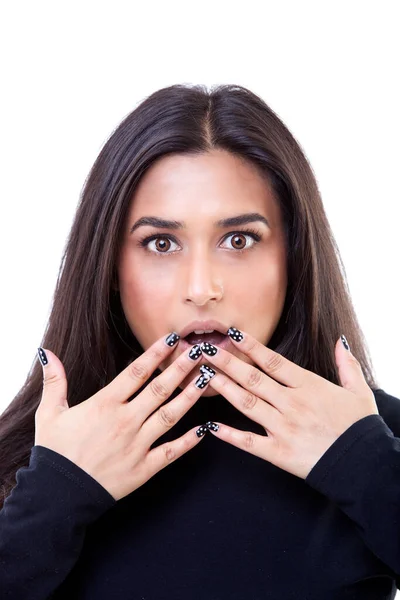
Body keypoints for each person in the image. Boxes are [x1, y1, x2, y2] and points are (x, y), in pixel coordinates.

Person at [0, 83, 399, 600]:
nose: (201, 289)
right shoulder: (31, 464)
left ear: (294, 257)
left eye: (239, 240)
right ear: (109, 267)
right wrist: (54, 497)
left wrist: (366, 470)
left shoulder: (373, 439)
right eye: (161, 243)